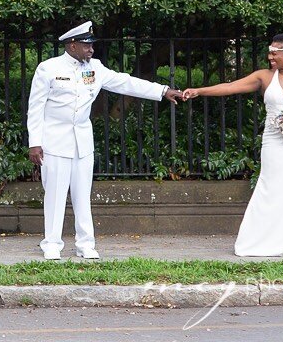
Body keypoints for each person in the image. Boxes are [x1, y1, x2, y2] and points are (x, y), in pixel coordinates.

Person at [27, 21, 183, 260]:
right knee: (55, 195)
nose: (91, 50)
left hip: (82, 142)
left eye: (92, 45)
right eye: (86, 45)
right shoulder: (48, 68)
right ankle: (51, 243)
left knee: (82, 195)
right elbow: (35, 108)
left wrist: (162, 91)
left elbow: (125, 82)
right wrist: (34, 142)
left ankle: (85, 244)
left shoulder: (95, 68)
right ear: (72, 45)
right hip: (54, 141)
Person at [182, 33, 283, 257]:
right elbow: (230, 87)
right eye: (270, 53)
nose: (270, 57)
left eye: (274, 53)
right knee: (270, 187)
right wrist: (199, 91)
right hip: (274, 140)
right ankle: (258, 242)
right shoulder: (264, 77)